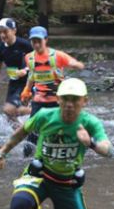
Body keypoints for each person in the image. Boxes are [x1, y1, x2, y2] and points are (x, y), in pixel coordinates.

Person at [0, 78, 113, 209]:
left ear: (85, 101)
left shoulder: (90, 123)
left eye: (75, 100)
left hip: (67, 184)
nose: (69, 104)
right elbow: (21, 133)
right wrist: (1, 153)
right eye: (65, 99)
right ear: (57, 99)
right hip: (39, 174)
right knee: (18, 204)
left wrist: (89, 142)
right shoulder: (45, 116)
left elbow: (109, 151)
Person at [20, 26, 85, 155]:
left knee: (63, 129)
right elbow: (32, 76)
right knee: (32, 131)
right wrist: (26, 90)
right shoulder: (29, 58)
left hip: (58, 101)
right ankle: (27, 158)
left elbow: (77, 64)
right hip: (39, 101)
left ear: (46, 40)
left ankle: (76, 150)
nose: (36, 44)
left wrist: (75, 64)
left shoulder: (57, 56)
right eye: (34, 41)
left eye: (39, 41)